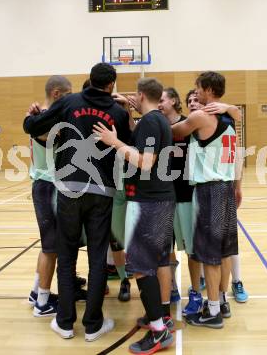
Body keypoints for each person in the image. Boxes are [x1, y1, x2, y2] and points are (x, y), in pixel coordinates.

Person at [23, 63, 130, 341]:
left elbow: (32, 127)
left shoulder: (69, 102)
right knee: (97, 258)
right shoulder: (118, 112)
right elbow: (129, 147)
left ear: (90, 80)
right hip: (102, 192)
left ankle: (65, 322)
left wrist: (31, 116)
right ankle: (93, 325)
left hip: (69, 189)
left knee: (67, 255)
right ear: (111, 85)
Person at [93, 77, 175, 354]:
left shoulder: (152, 122)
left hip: (150, 202)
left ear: (141, 95)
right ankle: (160, 317)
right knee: (156, 261)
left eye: (134, 97)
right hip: (160, 199)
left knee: (141, 267)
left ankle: (158, 332)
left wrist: (114, 142)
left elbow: (146, 162)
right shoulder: (156, 119)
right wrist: (128, 113)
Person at [172, 71, 242, 329]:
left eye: (198, 88)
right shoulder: (229, 118)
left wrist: (149, 119)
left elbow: (174, 132)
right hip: (224, 187)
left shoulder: (201, 116)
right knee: (223, 251)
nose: (196, 92)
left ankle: (212, 310)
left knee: (209, 254)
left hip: (209, 190)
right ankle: (220, 301)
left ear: (209, 90)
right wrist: (232, 108)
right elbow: (238, 114)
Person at [187, 89, 249, 304]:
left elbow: (237, 155)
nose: (194, 102)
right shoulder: (202, 122)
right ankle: (217, 296)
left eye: (197, 97)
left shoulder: (219, 119)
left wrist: (238, 185)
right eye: (190, 100)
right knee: (218, 247)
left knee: (222, 248)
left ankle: (229, 289)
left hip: (215, 187)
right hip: (213, 186)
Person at [28, 75, 72, 317]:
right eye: (67, 95)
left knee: (48, 246)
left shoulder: (37, 116)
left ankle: (36, 292)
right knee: (51, 247)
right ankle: (42, 303)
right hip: (48, 185)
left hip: (45, 183)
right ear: (57, 94)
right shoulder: (45, 119)